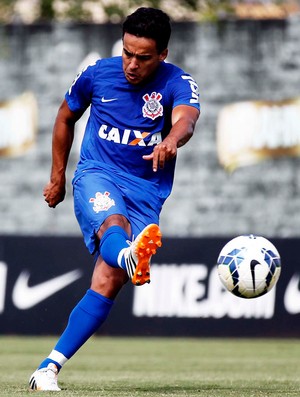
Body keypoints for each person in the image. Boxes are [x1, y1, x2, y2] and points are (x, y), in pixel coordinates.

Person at [29, 6, 200, 391]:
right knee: (114, 225)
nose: (132, 65)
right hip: (97, 174)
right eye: (127, 53)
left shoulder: (178, 82)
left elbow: (187, 119)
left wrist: (171, 140)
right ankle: (129, 253)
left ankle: (47, 369)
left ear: (162, 55)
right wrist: (57, 177)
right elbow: (64, 117)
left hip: (145, 191)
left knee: (107, 282)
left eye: (143, 57)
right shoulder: (97, 74)